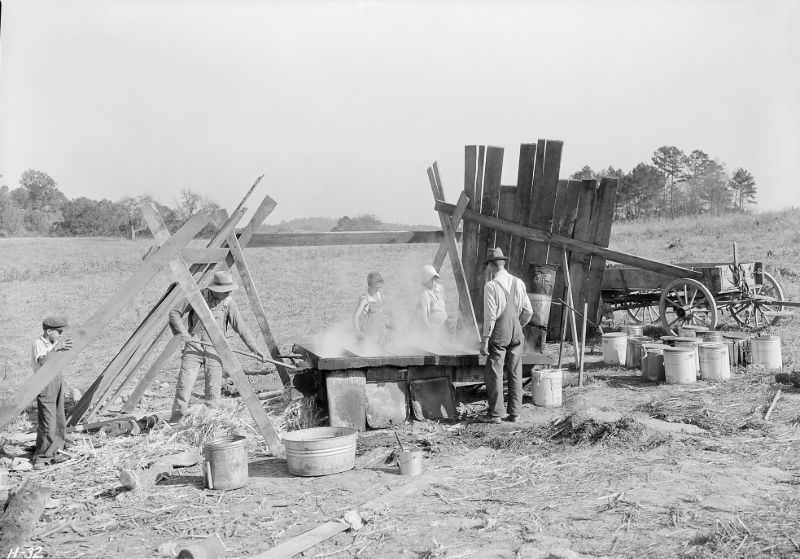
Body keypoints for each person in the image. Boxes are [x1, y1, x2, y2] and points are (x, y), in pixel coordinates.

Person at [168, 270, 265, 422]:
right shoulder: (197, 298)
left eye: (229, 290)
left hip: (215, 351)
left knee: (213, 394)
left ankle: (209, 424)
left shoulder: (228, 303)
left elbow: (242, 328)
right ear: (214, 290)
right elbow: (174, 312)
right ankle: (175, 423)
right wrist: (183, 334)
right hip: (194, 349)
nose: (229, 293)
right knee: (183, 388)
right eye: (225, 291)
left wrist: (255, 349)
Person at [479, 248, 533, 423]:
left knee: (494, 371)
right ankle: (515, 413)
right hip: (516, 332)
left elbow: (490, 316)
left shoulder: (491, 286)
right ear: (502, 263)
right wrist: (517, 326)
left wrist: (485, 340)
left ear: (491, 266)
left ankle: (496, 414)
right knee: (515, 371)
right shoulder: (519, 282)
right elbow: (528, 312)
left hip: (500, 333)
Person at [31, 316, 73, 470]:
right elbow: (42, 362)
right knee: (48, 421)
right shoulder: (39, 343)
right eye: (58, 332)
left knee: (59, 417)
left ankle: (55, 450)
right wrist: (56, 349)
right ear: (48, 331)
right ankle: (41, 457)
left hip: (57, 380)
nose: (60, 335)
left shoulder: (53, 342)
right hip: (44, 383)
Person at [415, 265, 449, 340]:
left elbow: (443, 307)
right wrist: (430, 328)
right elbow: (424, 316)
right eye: (431, 279)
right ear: (427, 280)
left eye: (434, 278)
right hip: (434, 329)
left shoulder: (440, 288)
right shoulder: (424, 294)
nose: (434, 281)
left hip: (444, 325)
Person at [353, 271, 386, 346]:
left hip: (378, 333)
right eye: (377, 286)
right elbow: (355, 317)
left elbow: (379, 316)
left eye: (380, 286)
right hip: (366, 335)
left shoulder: (378, 295)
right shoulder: (365, 299)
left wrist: (382, 332)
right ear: (371, 285)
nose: (378, 288)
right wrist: (358, 331)